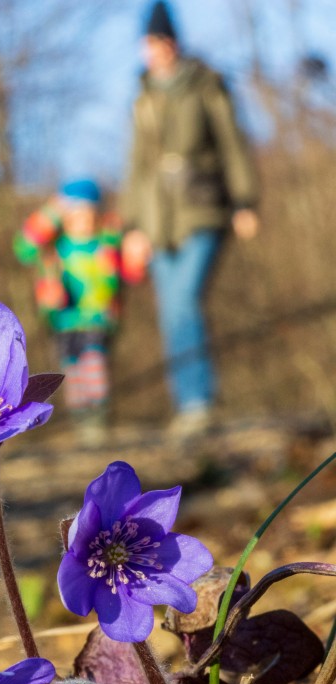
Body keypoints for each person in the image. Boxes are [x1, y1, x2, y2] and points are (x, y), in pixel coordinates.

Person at [119, 1, 259, 438]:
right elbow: (137, 167)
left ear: (173, 43)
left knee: (184, 301)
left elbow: (233, 144)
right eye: (147, 43)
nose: (153, 51)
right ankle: (188, 405)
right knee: (170, 310)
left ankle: (199, 401)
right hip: (157, 221)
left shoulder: (206, 85)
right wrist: (132, 227)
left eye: (159, 42)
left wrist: (245, 200)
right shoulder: (142, 98)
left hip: (203, 207)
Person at [14, 179, 144, 445]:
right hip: (62, 320)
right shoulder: (55, 247)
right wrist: (50, 211)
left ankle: (98, 418)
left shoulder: (107, 242)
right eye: (75, 213)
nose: (82, 219)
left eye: (88, 213)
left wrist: (137, 255)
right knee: (72, 370)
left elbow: (130, 270)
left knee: (93, 363)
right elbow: (23, 248)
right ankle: (81, 421)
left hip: (98, 319)